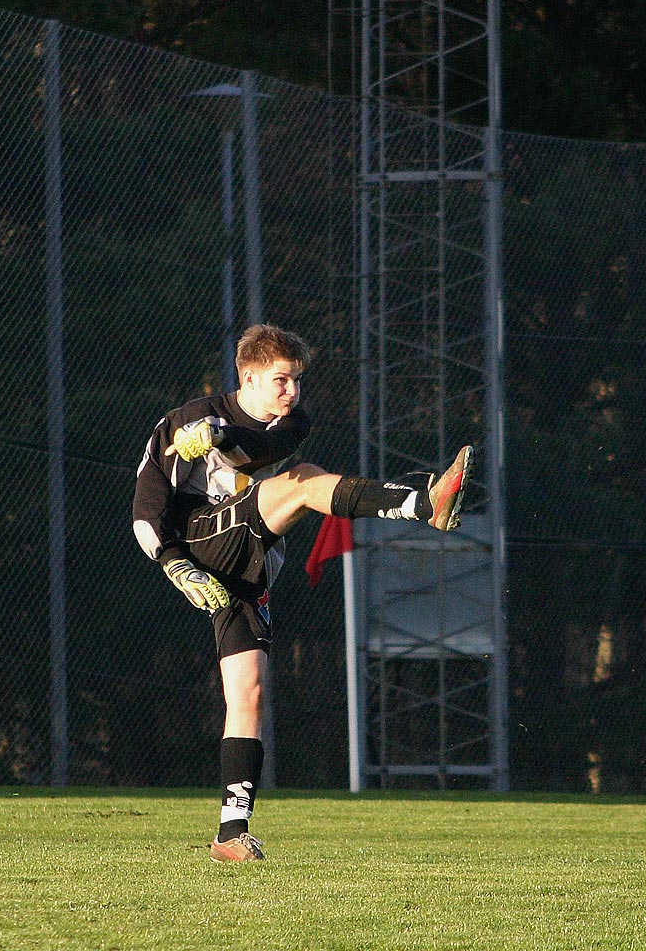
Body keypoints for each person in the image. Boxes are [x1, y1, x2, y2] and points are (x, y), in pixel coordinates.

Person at [132, 323, 473, 862]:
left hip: (247, 564)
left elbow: (258, 453)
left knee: (248, 694)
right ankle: (421, 504)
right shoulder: (181, 422)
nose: (292, 392)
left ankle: (229, 833)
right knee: (307, 479)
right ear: (248, 376)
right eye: (281, 380)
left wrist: (221, 438)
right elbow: (146, 513)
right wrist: (175, 563)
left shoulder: (289, 422)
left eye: (296, 381)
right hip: (202, 546)